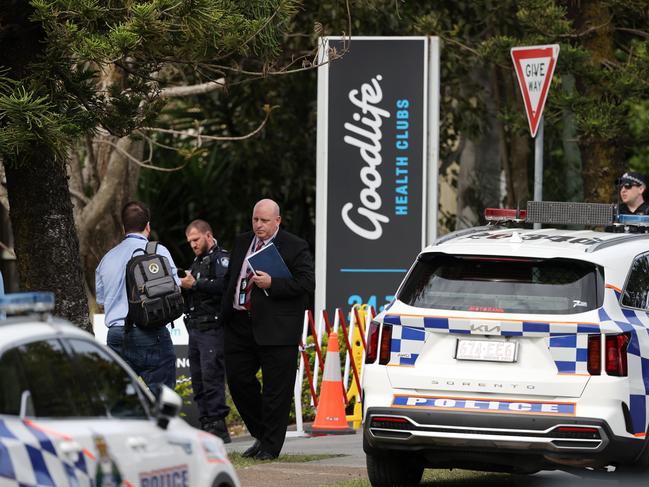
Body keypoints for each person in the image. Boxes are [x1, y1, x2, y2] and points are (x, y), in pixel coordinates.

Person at [221, 199, 315, 460]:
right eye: (255, 220)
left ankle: (270, 446)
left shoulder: (295, 246)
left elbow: (307, 284)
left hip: (277, 327)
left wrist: (273, 283)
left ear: (277, 221)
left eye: (264, 221)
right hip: (239, 324)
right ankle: (262, 435)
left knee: (276, 390)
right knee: (239, 382)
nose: (258, 225)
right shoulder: (242, 242)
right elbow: (232, 279)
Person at [96, 201, 178, 397]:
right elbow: (175, 287)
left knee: (121, 402)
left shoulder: (106, 259)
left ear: (123, 227)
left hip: (117, 336)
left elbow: (101, 301)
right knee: (163, 402)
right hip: (152, 334)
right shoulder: (159, 252)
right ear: (148, 226)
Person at [180, 219, 231, 443]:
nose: (192, 244)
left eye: (196, 239)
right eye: (189, 241)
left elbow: (224, 287)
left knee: (212, 378)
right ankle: (206, 423)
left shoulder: (221, 258)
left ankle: (218, 427)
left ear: (208, 236)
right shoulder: (197, 261)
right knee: (198, 380)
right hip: (195, 328)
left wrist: (195, 285)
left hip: (212, 328)